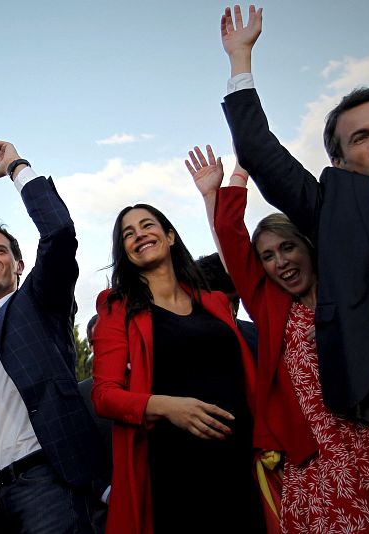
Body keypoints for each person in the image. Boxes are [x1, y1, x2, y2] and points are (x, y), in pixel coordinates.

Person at [220, 5, 369, 518]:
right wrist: (241, 58)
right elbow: (260, 151)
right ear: (339, 163)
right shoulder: (338, 223)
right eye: (361, 137)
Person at [187, 144, 369, 531]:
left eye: (287, 247)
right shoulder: (272, 305)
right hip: (313, 466)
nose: (280, 262)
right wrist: (235, 178)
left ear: (308, 247)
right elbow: (230, 238)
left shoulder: (348, 295)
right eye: (267, 256)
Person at [0, 141, 107, 534]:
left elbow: (59, 233)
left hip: (48, 484)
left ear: (20, 265)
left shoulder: (38, 303)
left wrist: (17, 169)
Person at [91, 201, 264, 533]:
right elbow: (104, 395)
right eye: (128, 234)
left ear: (169, 236)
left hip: (240, 463)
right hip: (174, 470)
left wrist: (216, 195)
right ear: (125, 252)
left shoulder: (214, 301)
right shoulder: (117, 307)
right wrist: (167, 406)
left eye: (147, 225)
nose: (139, 235)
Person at [78, 314, 111, 534]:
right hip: (105, 517)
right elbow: (77, 453)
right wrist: (107, 491)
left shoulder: (152, 385)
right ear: (90, 346)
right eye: (100, 340)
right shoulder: (80, 395)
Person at [195, 251, 258, 360]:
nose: (232, 310)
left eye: (236, 300)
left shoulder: (259, 336)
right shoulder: (182, 340)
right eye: (221, 301)